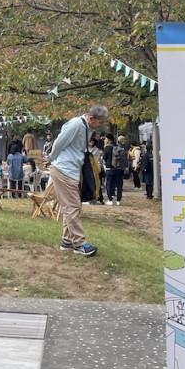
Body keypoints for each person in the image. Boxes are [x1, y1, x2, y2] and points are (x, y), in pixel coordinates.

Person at [48, 106, 106, 257]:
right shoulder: (76, 124)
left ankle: (67, 240)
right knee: (72, 207)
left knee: (72, 207)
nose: (101, 126)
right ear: (92, 118)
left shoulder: (86, 127)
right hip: (64, 169)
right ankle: (79, 244)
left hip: (72, 170)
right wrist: (51, 158)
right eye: (100, 122)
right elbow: (59, 143)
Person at [104, 136, 130, 206]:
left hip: (110, 169)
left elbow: (104, 157)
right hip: (119, 169)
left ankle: (110, 200)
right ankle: (118, 200)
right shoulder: (120, 148)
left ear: (108, 140)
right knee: (119, 184)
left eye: (105, 139)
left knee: (109, 184)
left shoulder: (107, 148)